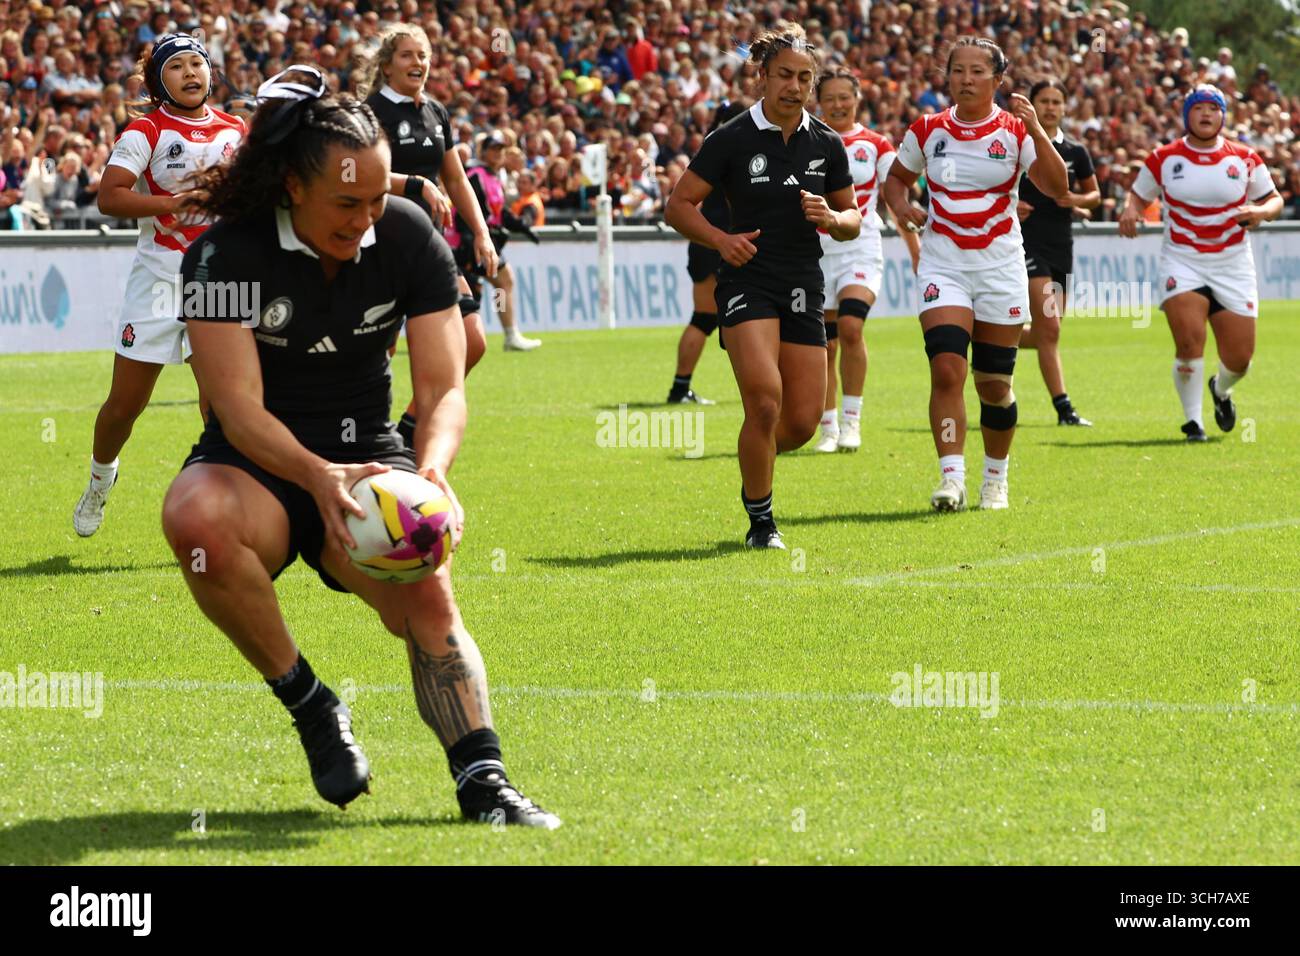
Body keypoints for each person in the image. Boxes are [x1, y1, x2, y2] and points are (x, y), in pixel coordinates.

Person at [161, 73, 559, 828]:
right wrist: (315, 476)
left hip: (371, 457)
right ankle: (310, 704)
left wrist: (432, 475)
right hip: (259, 465)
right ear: (292, 186)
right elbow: (237, 408)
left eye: (377, 199)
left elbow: (443, 388)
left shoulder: (408, 234)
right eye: (347, 203)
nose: (366, 219)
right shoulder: (223, 254)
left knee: (430, 598)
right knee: (195, 521)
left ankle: (485, 784)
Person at [665, 22, 860, 548]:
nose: (793, 87)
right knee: (765, 401)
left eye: (803, 78)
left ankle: (754, 451)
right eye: (783, 76)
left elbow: (854, 219)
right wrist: (720, 240)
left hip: (803, 284)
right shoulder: (729, 139)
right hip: (746, 282)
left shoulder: (827, 144)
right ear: (762, 78)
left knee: (798, 424)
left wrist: (832, 218)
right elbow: (677, 206)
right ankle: (761, 522)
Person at [883, 36, 1067, 511]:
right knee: (947, 369)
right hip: (943, 263)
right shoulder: (926, 129)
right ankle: (951, 479)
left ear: (998, 80)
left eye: (977, 71)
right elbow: (896, 181)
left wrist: (1037, 130)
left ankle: (995, 479)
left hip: (1000, 268)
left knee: (993, 384)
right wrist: (904, 208)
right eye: (958, 70)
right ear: (947, 77)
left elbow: (1056, 185)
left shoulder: (1014, 130)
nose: (966, 79)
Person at [73, 33, 245, 537]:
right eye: (177, 67)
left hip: (219, 278)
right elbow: (110, 197)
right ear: (158, 80)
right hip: (158, 277)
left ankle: (222, 503)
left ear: (211, 73)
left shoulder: (238, 130)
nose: (191, 73)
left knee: (219, 400)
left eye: (198, 63)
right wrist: (173, 204)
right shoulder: (144, 131)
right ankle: (100, 479)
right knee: (125, 406)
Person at [358, 23, 498, 445]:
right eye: (407, 55)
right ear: (386, 65)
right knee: (376, 353)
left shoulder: (436, 112)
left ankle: (408, 428)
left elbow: (456, 180)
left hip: (432, 248)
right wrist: (417, 183)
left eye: (423, 55)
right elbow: (362, 174)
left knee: (471, 340)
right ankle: (364, 438)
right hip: (379, 244)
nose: (417, 62)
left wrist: (482, 232)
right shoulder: (371, 111)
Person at [1118, 84, 1282, 441]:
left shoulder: (1244, 157)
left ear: (1223, 115)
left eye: (1213, 108)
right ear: (1186, 115)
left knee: (1240, 359)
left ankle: (1221, 390)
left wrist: (1261, 212)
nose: (1206, 114)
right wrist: (1130, 209)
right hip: (1183, 260)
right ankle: (1194, 423)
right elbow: (1138, 193)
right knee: (1190, 342)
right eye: (1198, 108)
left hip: (1233, 262)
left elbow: (1274, 199)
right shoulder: (1164, 157)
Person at [812, 67, 920, 453]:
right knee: (824, 345)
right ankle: (827, 428)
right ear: (818, 102)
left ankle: (851, 421)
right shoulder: (806, 140)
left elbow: (896, 198)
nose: (838, 104)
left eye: (845, 97)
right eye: (830, 98)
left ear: (857, 99)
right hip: (816, 254)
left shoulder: (876, 144)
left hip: (859, 248)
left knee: (852, 328)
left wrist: (915, 251)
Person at [1016, 78, 1100, 426]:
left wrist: (1075, 200)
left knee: (1043, 334)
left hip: (1061, 246)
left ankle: (985, 333)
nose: (1050, 107)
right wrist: (1011, 206)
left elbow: (1094, 196)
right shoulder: (1018, 144)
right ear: (1032, 106)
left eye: (1056, 101)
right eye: (1044, 101)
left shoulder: (1075, 152)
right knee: (1049, 329)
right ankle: (1064, 408)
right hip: (1024, 244)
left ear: (1065, 108)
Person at [664, 98, 749, 406]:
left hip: (702, 237)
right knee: (744, 316)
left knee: (703, 317)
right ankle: (757, 385)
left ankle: (679, 387)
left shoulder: (711, 146)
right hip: (730, 238)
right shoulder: (742, 145)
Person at [462, 131, 543, 352]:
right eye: (493, 149)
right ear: (483, 152)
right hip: (477, 239)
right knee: (500, 282)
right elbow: (467, 208)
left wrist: (524, 228)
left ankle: (503, 333)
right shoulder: (476, 174)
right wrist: (470, 239)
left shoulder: (493, 176)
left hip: (486, 237)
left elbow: (500, 212)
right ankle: (508, 334)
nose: (498, 153)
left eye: (501, 149)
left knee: (493, 286)